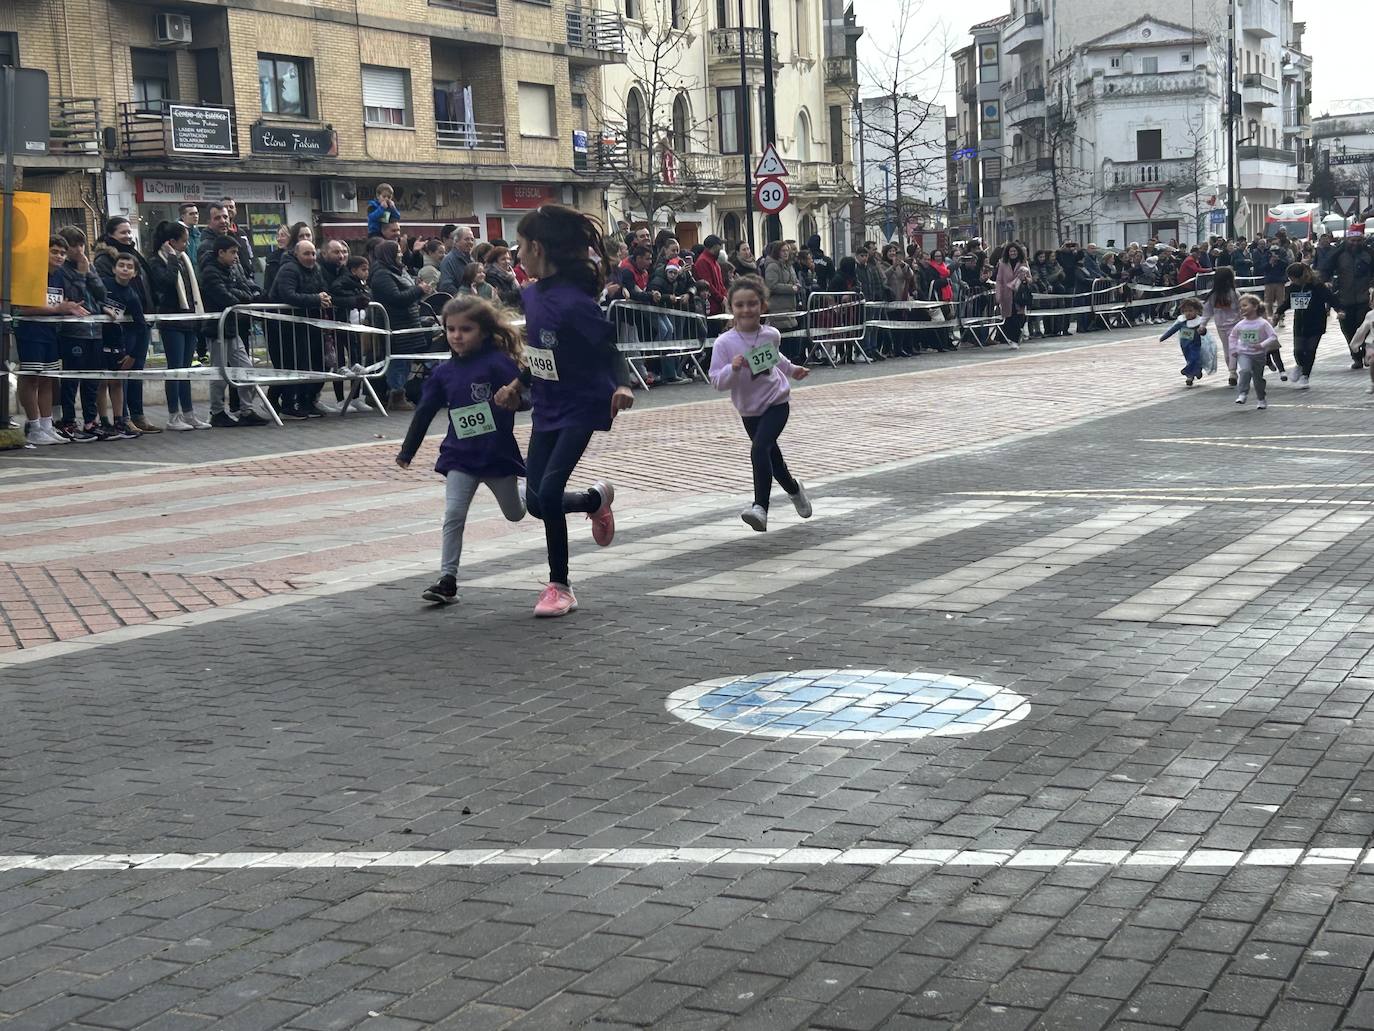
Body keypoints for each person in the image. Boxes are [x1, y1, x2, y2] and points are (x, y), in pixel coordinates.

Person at [509, 204, 632, 618]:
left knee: (548, 492)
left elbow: (608, 347)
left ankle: (559, 586)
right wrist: (518, 384)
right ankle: (595, 499)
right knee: (536, 502)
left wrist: (622, 384)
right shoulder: (531, 294)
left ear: (537, 248)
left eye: (520, 246)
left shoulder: (575, 303)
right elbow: (541, 351)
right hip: (547, 405)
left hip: (582, 404)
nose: (517, 254)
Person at [396, 296, 528, 604]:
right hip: (460, 456)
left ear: (484, 330)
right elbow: (425, 411)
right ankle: (447, 580)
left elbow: (526, 396)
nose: (456, 336)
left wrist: (516, 401)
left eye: (465, 329)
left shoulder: (498, 363)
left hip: (497, 455)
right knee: (454, 514)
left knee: (516, 513)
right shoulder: (443, 372)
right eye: (451, 329)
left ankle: (537, 489)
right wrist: (407, 451)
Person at [708, 276, 813, 532]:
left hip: (776, 401)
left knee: (759, 449)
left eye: (752, 303)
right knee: (772, 459)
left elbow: (775, 358)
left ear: (763, 306)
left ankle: (760, 508)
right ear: (731, 308)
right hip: (748, 409)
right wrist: (732, 369)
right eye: (740, 305)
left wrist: (793, 370)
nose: (746, 310)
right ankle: (794, 489)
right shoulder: (724, 343)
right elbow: (717, 381)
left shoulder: (771, 334)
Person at [93, 217, 160, 432]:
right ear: (111, 234)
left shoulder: (134, 255)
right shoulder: (105, 259)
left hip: (140, 320)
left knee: (135, 371)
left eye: (129, 232)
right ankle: (120, 418)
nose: (128, 236)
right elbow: (99, 291)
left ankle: (136, 415)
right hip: (119, 328)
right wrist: (105, 307)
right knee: (115, 376)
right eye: (123, 232)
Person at [15, 237, 85, 445]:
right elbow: (22, 308)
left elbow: (66, 301)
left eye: (62, 253)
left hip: (51, 333)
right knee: (32, 378)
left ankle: (47, 425)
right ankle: (34, 426)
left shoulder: (60, 276)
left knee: (48, 379)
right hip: (30, 334)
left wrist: (69, 308)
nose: (59, 256)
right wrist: (56, 310)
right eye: (54, 251)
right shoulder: (32, 275)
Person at [200, 237, 271, 427]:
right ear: (221, 252)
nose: (236, 256)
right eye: (232, 252)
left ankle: (246, 410)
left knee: (246, 369)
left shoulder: (231, 269)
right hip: (216, 329)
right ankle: (217, 412)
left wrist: (240, 295)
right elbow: (226, 297)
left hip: (231, 328)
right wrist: (241, 296)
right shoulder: (210, 272)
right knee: (219, 373)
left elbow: (243, 290)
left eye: (237, 252)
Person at [147, 221, 210, 430]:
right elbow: (166, 282)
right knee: (175, 369)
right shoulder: (157, 261)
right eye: (183, 241)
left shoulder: (185, 260)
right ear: (171, 242)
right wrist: (172, 258)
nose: (186, 245)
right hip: (172, 321)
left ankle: (189, 413)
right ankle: (173, 415)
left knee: (186, 370)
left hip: (189, 320)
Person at [370, 238, 436, 411]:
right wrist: (418, 290)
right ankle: (396, 394)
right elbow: (396, 298)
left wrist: (418, 289)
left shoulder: (398, 271)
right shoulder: (382, 275)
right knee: (398, 361)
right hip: (395, 324)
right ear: (389, 255)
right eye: (397, 252)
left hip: (407, 323)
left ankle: (399, 393)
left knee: (405, 360)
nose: (400, 254)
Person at [52, 226, 106, 441]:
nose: (79, 250)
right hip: (73, 332)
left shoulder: (88, 265)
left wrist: (89, 272)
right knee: (71, 378)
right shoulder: (62, 270)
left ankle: (91, 421)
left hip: (95, 330)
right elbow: (74, 296)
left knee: (92, 379)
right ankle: (68, 421)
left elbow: (101, 293)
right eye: (74, 246)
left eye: (81, 245)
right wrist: (82, 275)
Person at [270, 238, 332, 419]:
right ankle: (288, 405)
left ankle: (307, 402)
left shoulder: (316, 269)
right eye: (306, 254)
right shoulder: (288, 269)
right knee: (294, 365)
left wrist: (324, 297)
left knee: (316, 364)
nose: (311, 257)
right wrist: (316, 299)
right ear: (296, 254)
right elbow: (288, 295)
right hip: (287, 327)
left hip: (310, 324)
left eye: (313, 253)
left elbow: (323, 289)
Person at [97, 251, 152, 439]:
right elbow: (91, 299)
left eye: (129, 267)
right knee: (101, 382)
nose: (125, 269)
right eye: (121, 265)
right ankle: (103, 421)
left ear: (135, 273)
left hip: (117, 343)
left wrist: (133, 355)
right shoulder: (103, 284)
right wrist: (103, 308)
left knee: (117, 382)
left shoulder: (132, 296)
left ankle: (119, 419)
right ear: (114, 269)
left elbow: (141, 327)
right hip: (98, 340)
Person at [1274, 262, 1342, 390]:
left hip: (1316, 321)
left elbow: (1330, 298)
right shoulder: (1293, 287)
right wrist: (1278, 312)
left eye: (1293, 278)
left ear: (1301, 276)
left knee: (1311, 350)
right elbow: (1288, 302)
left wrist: (1339, 310)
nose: (1292, 281)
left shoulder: (1317, 285)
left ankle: (1305, 375)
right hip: (1300, 322)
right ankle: (1300, 365)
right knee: (1298, 350)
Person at [1327, 229, 1373, 368]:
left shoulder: (1369, 254)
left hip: (1364, 298)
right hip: (1344, 299)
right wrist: (1327, 282)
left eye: (1358, 240)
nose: (1355, 243)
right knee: (1348, 329)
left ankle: (1367, 354)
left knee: (1363, 327)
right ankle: (1356, 357)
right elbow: (1326, 269)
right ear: (1347, 240)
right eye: (1353, 240)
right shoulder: (1338, 254)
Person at [1228, 294, 1280, 408]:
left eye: (1245, 305)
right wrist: (1234, 349)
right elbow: (1232, 337)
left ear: (1255, 306)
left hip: (1259, 355)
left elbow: (1273, 336)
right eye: (1240, 306)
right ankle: (1243, 393)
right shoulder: (1240, 324)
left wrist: (1261, 345)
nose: (1242, 308)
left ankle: (1261, 399)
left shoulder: (1263, 323)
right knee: (1245, 370)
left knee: (1258, 379)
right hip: (1244, 353)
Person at [1202, 266, 1243, 388]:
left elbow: (1241, 310)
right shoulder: (1217, 295)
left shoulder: (1232, 294)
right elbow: (1207, 312)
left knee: (1231, 348)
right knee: (1229, 349)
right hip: (1224, 327)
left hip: (1234, 327)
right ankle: (1232, 371)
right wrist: (1202, 325)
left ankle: (1232, 372)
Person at [1159, 297, 1210, 387]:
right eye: (1185, 311)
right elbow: (1173, 329)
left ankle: (1188, 374)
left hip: (1195, 344)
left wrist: (1202, 331)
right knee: (1189, 359)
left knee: (1194, 358)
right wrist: (1163, 337)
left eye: (1190, 311)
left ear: (1197, 311)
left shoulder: (1198, 322)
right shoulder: (1182, 322)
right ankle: (1196, 371)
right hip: (1184, 345)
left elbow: (1204, 332)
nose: (1188, 313)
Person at [995, 243, 1028, 350]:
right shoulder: (1002, 264)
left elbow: (1030, 279)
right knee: (1009, 318)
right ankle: (1012, 339)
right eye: (1011, 251)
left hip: (1020, 295)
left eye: (1014, 251)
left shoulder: (1023, 263)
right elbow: (999, 280)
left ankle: (1016, 338)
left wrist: (1024, 279)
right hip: (1007, 295)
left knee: (1019, 318)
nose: (1013, 253)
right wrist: (998, 295)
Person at [694, 235, 727, 315]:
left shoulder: (714, 262)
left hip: (718, 305)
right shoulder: (703, 261)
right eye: (719, 245)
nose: (721, 248)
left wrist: (725, 296)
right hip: (710, 306)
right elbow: (708, 285)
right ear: (714, 246)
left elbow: (720, 284)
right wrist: (721, 298)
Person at [438, 226, 476, 294]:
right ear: (456, 241)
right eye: (467, 239)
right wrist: (463, 297)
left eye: (472, 239)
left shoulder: (472, 260)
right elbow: (446, 286)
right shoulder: (448, 261)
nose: (470, 242)